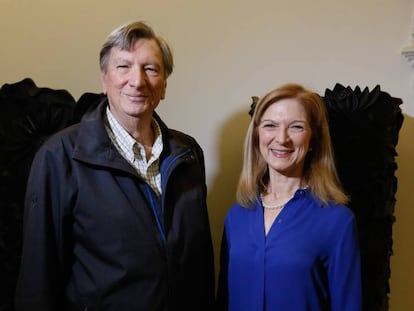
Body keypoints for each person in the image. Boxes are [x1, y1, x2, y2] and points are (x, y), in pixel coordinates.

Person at [15, 21, 215, 311]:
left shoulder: (188, 154)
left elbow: (201, 263)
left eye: (151, 69)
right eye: (123, 67)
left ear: (164, 86)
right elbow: (38, 277)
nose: (137, 80)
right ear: (104, 80)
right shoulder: (59, 156)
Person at [216, 83, 362, 311]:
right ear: (257, 135)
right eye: (270, 126)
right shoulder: (237, 216)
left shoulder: (337, 221)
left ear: (313, 139)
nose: (281, 138)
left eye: (296, 127)